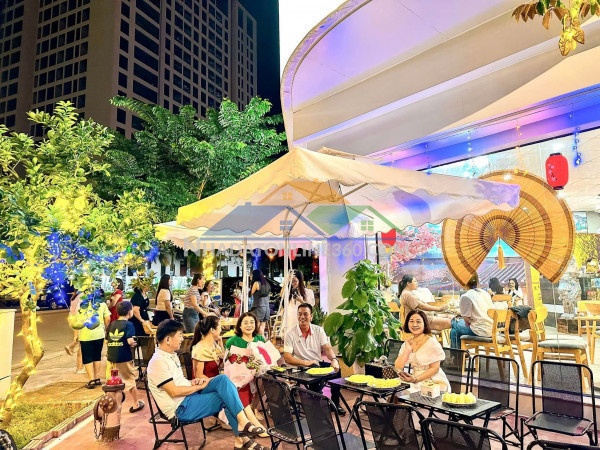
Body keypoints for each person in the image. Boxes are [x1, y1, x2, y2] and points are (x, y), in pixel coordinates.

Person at [147, 319, 270, 450]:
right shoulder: (158, 362)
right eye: (180, 335)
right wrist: (199, 386)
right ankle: (242, 436)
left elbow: (178, 382)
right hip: (180, 409)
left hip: (188, 397)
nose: (182, 339)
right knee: (227, 397)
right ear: (168, 339)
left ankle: (242, 429)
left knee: (223, 380)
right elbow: (174, 392)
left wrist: (192, 382)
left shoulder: (170, 356)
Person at [283, 303, 345, 416]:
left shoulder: (318, 330)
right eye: (299, 314)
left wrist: (334, 359)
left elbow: (327, 348)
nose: (302, 317)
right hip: (300, 366)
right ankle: (315, 406)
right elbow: (287, 358)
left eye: (305, 314)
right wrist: (306, 363)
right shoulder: (290, 334)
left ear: (311, 316)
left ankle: (335, 403)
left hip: (316, 363)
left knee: (337, 370)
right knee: (315, 370)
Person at [225, 312, 268, 427]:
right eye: (245, 323)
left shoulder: (259, 338)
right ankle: (244, 411)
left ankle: (254, 407)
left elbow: (266, 356)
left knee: (266, 379)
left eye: (252, 322)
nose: (249, 325)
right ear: (240, 325)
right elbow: (228, 361)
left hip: (258, 371)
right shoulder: (232, 341)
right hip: (240, 375)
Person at [395, 310, 450, 392]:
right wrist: (407, 350)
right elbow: (398, 367)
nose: (414, 325)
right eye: (411, 321)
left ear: (425, 324)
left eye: (418, 322)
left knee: (405, 392)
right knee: (393, 389)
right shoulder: (408, 342)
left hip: (433, 381)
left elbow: (435, 369)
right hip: (413, 379)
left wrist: (416, 379)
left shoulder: (432, 343)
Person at [105, 301, 145, 413]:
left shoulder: (112, 324)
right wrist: (134, 343)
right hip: (123, 357)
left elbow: (106, 341)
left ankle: (110, 404)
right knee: (130, 380)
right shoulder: (129, 325)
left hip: (111, 357)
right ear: (129, 312)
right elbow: (130, 341)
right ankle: (136, 404)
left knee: (112, 381)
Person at [450, 273, 495, 348]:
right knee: (454, 332)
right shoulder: (485, 293)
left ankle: (458, 354)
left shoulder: (466, 296)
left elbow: (467, 321)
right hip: (492, 329)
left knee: (454, 321)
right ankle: (459, 354)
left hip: (479, 331)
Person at [79, 294, 111, 388]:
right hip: (99, 334)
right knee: (97, 356)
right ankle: (97, 378)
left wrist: (75, 335)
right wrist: (106, 329)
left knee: (87, 357)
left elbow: (77, 320)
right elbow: (108, 318)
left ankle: (91, 379)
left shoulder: (82, 304)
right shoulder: (102, 304)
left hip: (85, 335)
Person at [65, 291, 85, 373]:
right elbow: (78, 311)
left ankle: (71, 346)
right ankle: (79, 367)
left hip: (73, 319)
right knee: (82, 345)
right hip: (79, 321)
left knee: (80, 341)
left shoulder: (74, 296)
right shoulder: (82, 295)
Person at [249, 270, 270, 339]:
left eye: (251, 275)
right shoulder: (267, 284)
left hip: (258, 307)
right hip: (266, 308)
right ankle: (263, 343)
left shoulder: (256, 283)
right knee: (262, 328)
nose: (250, 277)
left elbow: (250, 294)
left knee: (256, 328)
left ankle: (258, 343)